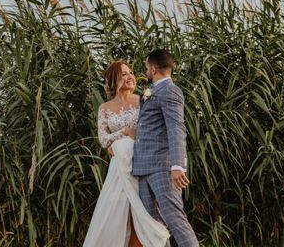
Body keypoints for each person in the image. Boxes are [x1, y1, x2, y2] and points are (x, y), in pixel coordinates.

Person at [83, 60, 170, 247]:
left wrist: (124, 139)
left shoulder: (143, 100)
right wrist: (125, 132)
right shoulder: (104, 108)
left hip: (142, 163)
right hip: (119, 169)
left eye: (131, 72)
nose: (130, 76)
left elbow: (154, 129)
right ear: (113, 79)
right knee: (119, 214)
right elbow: (104, 140)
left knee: (143, 215)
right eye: (124, 74)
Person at [132, 49, 199, 247]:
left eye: (146, 68)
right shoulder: (152, 91)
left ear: (153, 68)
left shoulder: (170, 90)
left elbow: (176, 127)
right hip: (143, 167)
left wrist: (178, 165)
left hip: (162, 166)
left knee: (174, 219)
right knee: (154, 228)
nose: (146, 71)